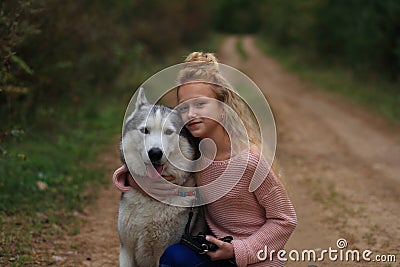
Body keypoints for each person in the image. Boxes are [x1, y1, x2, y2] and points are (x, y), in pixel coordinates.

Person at [113, 52, 297, 267]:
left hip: (256, 261)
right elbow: (168, 187)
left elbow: (285, 219)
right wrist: (128, 177)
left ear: (223, 106)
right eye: (184, 107)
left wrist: (238, 250)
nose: (190, 114)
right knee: (174, 256)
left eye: (200, 104)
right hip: (216, 255)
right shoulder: (196, 158)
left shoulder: (249, 161)